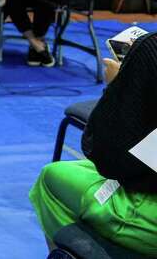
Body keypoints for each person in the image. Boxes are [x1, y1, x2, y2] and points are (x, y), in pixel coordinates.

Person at [29, 33, 157, 256]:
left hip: (149, 210)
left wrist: (118, 87)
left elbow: (106, 158)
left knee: (50, 178)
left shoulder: (150, 48)